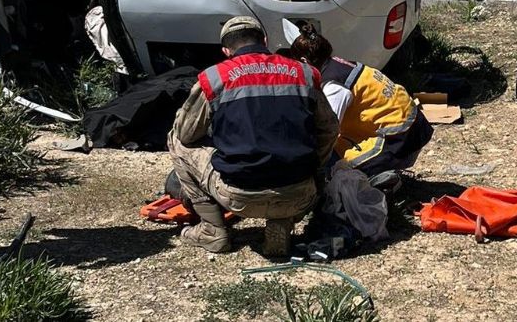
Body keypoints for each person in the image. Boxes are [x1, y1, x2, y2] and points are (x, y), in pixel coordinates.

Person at [167, 16, 338, 257]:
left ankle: (212, 230)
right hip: (300, 193)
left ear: (226, 51)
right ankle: (282, 220)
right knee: (296, 160)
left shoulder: (215, 77)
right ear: (265, 40)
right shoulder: (305, 73)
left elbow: (186, 133)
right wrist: (313, 168)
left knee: (175, 139)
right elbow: (330, 129)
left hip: (238, 195)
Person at [288, 23, 433, 191]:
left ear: (305, 61)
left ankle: (380, 177)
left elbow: (327, 131)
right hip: (409, 127)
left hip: (400, 140)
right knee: (335, 148)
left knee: (336, 166)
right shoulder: (339, 65)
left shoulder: (334, 86)